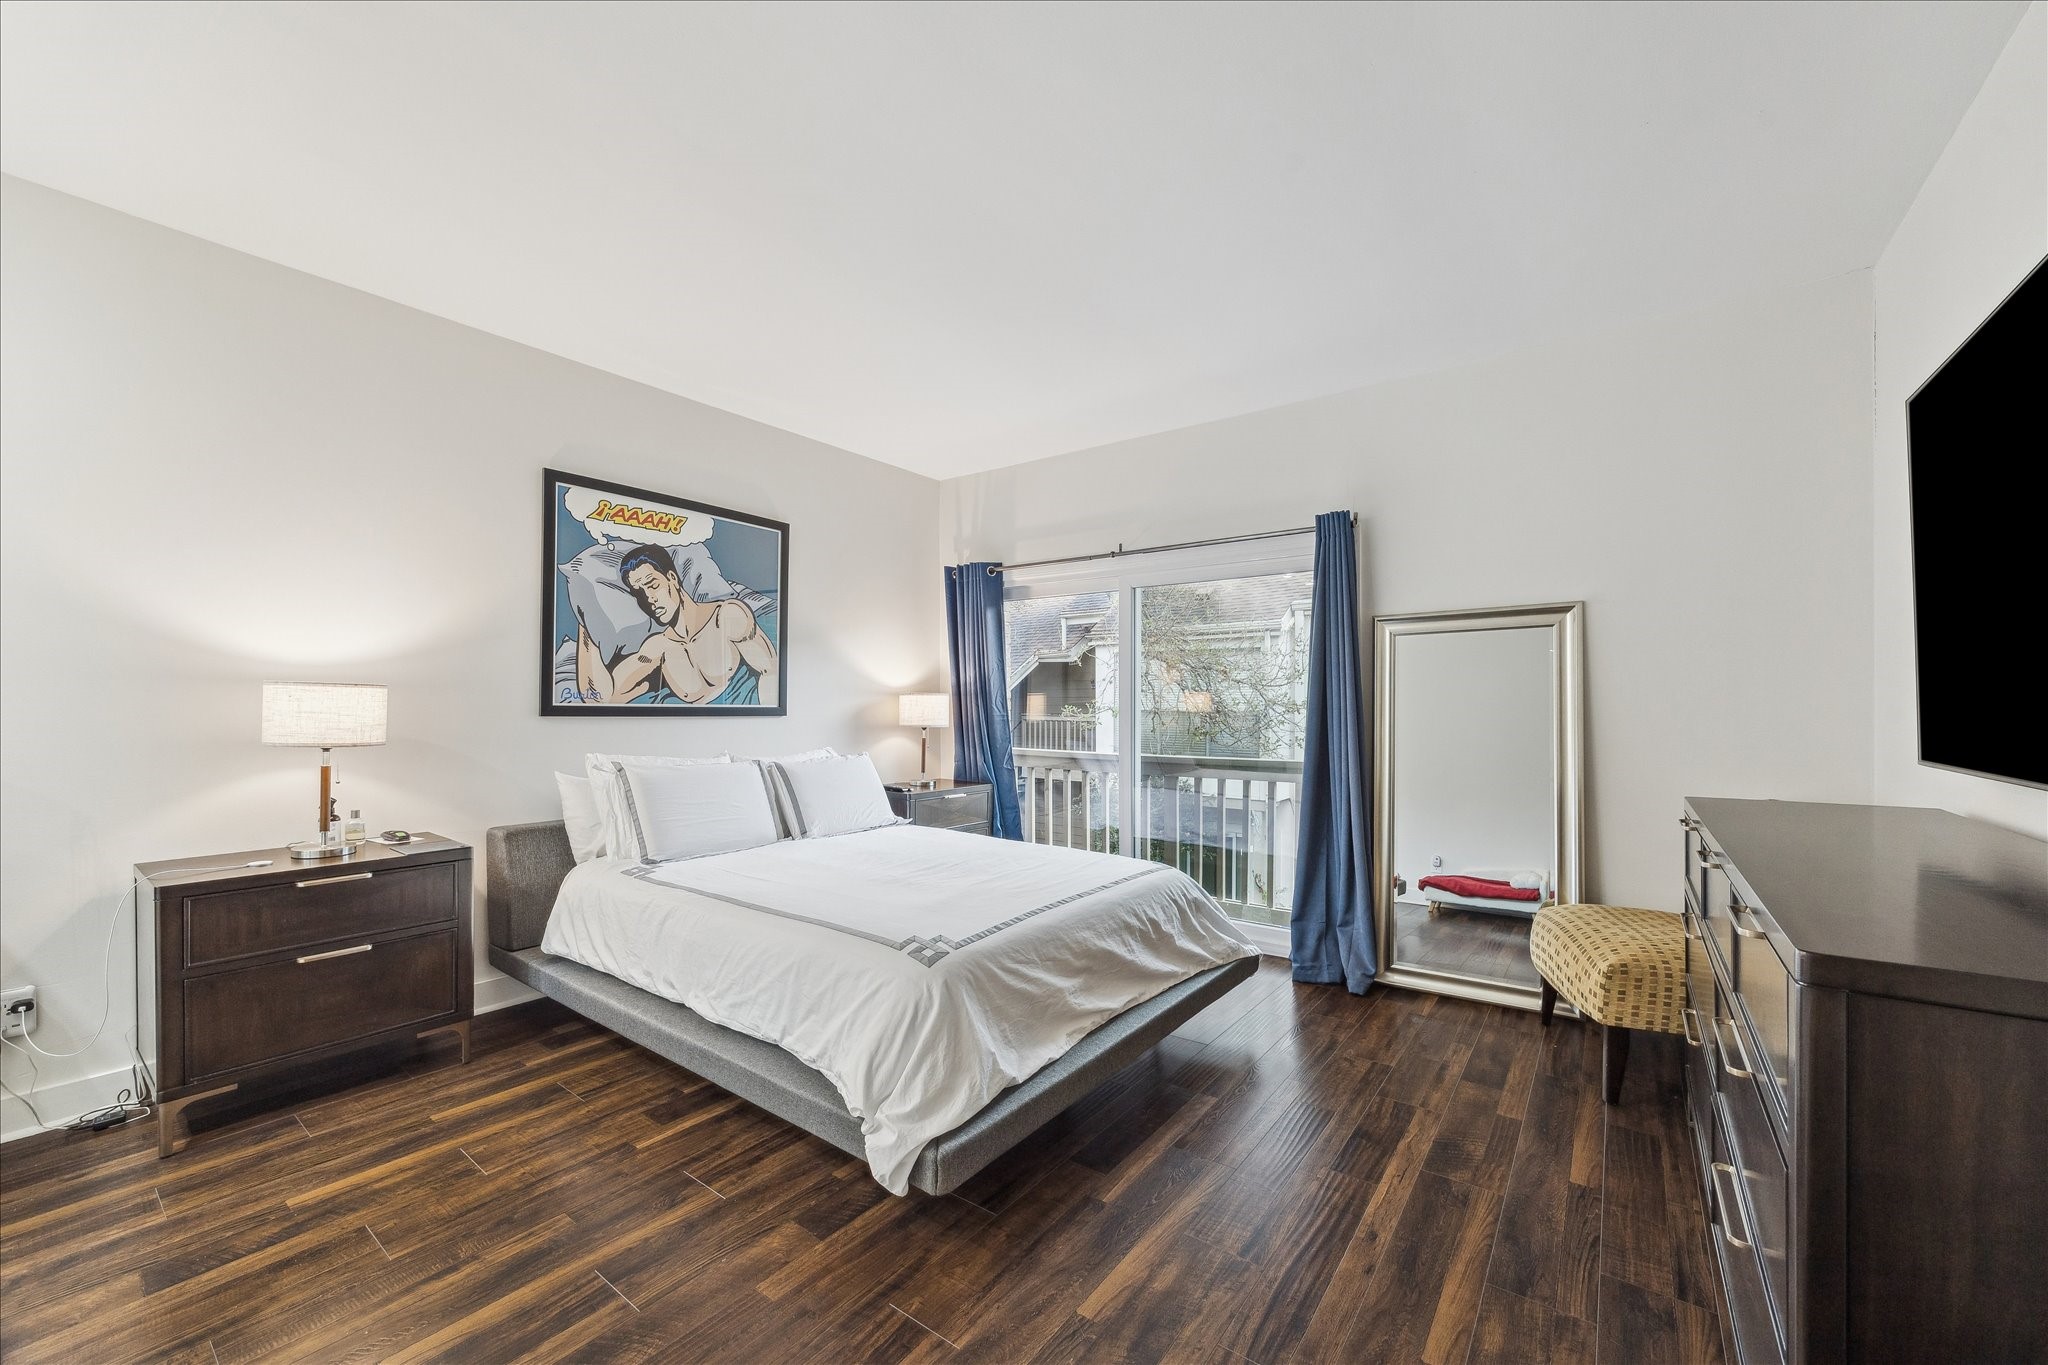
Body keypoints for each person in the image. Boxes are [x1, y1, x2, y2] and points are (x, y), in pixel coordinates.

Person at [576, 543, 778, 706]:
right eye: (639, 593)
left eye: (653, 585)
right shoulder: (657, 648)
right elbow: (601, 698)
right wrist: (588, 622)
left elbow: (771, 673)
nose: (649, 599)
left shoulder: (726, 616)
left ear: (672, 578)